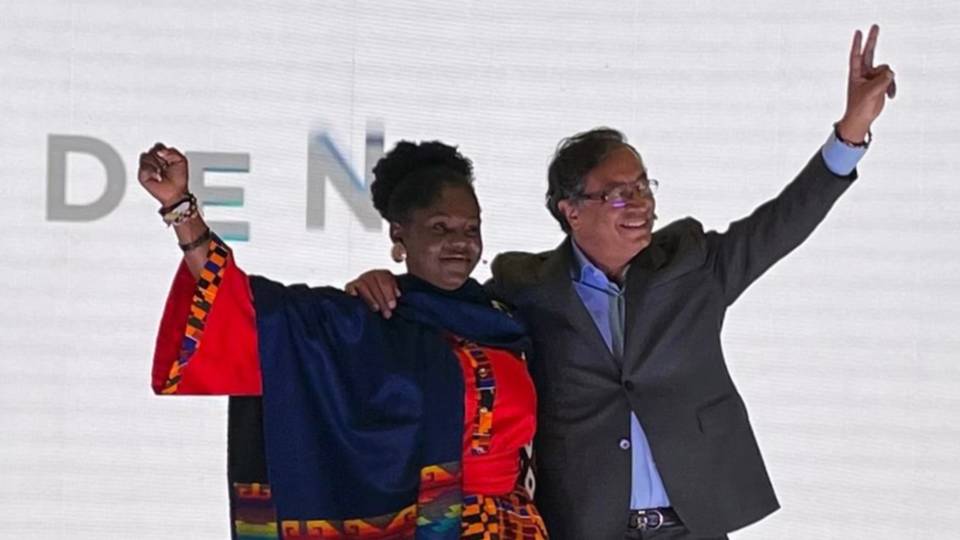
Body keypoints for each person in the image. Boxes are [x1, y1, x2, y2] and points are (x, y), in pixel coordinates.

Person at [346, 25, 896, 539]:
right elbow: (450, 308)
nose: (640, 203)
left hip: (694, 524)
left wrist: (851, 131)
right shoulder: (526, 287)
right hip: (587, 526)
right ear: (571, 210)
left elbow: (784, 221)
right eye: (617, 194)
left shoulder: (691, 264)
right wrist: (381, 286)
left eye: (643, 187)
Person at [141, 140, 549, 539]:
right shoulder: (365, 319)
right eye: (440, 227)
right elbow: (248, 315)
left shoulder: (502, 317)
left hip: (515, 525)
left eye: (471, 228)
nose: (460, 242)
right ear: (400, 234)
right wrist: (181, 209)